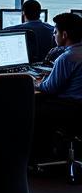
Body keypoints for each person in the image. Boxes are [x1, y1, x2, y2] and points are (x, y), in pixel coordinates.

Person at [31, 12, 82, 164]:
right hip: (78, 107)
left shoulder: (67, 57)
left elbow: (50, 88)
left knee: (29, 106)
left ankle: (37, 157)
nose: (54, 35)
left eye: (55, 32)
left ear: (64, 34)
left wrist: (35, 83)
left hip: (70, 108)